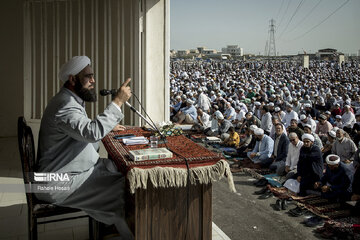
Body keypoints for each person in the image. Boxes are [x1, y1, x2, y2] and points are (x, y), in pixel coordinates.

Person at [36, 56, 133, 239]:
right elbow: (91, 133)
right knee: (126, 189)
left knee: (117, 170)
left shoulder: (69, 100)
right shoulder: (65, 106)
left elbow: (83, 129)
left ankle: (114, 226)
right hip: (57, 181)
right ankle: (130, 231)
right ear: (72, 79)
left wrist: (106, 126)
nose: (93, 81)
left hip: (66, 173)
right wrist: (118, 101)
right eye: (88, 76)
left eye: (92, 75)